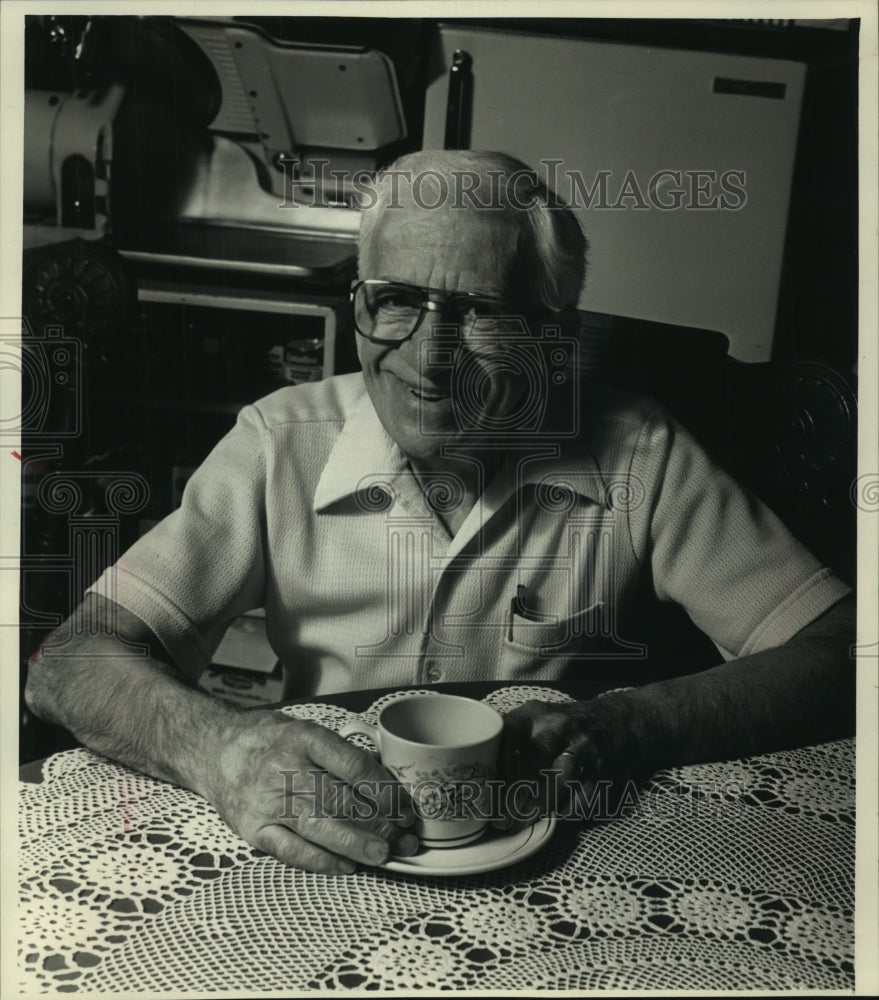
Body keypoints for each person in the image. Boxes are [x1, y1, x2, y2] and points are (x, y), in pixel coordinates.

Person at [25, 150, 855, 875]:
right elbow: (67, 663)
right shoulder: (279, 442)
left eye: (480, 310)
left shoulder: (640, 451)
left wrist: (632, 724)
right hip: (330, 843)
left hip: (558, 855)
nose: (429, 358)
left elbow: (843, 653)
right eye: (394, 299)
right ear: (358, 302)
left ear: (552, 335)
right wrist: (222, 749)